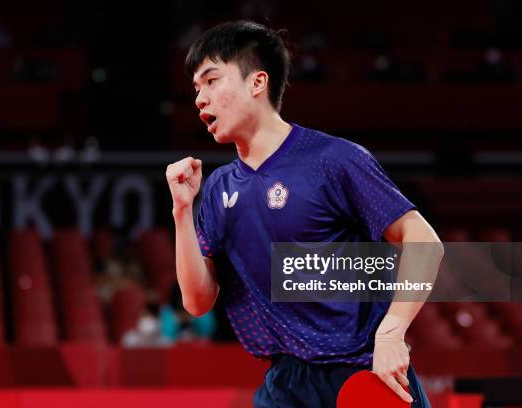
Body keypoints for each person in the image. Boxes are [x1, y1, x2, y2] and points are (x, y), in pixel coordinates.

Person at [165, 20, 443, 407]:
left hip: (362, 371)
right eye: (196, 88)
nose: (200, 98)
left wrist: (392, 333)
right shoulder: (216, 189)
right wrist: (182, 210)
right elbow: (197, 302)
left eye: (211, 81)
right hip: (285, 382)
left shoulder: (333, 160)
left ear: (257, 83)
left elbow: (424, 242)